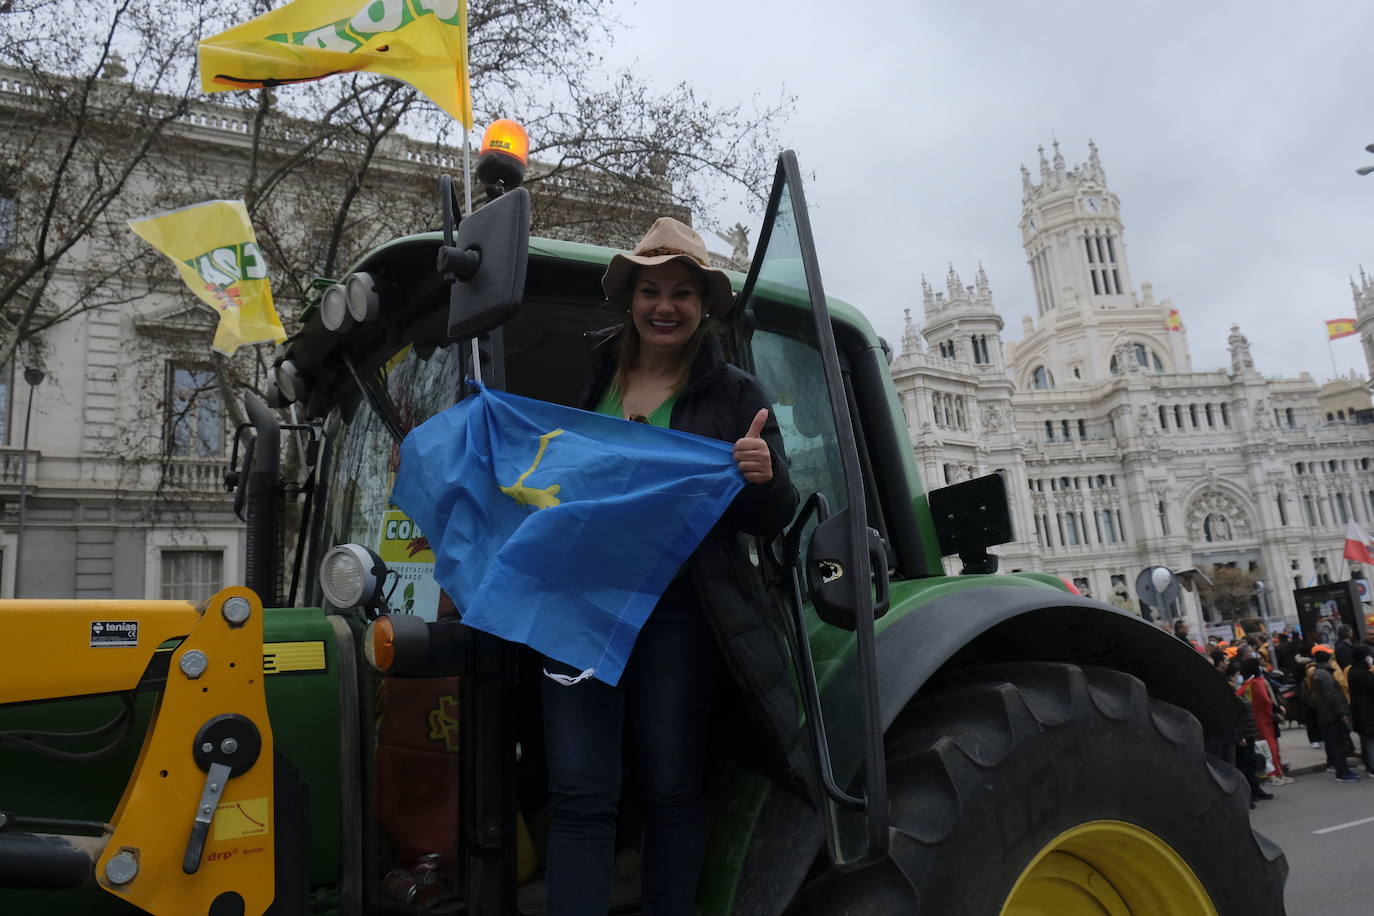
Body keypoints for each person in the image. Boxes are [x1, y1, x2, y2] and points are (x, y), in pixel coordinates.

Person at [539, 217, 799, 916]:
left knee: (671, 789)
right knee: (579, 792)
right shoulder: (594, 377)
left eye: (682, 292)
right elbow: (548, 480)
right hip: (581, 610)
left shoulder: (736, 394)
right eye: (651, 289)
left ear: (703, 305)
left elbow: (774, 516)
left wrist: (763, 476)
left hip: (678, 614)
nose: (665, 305)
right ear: (630, 299)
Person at [1237, 657, 1291, 785]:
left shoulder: (1247, 684)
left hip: (1256, 718)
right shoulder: (1258, 682)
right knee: (1270, 746)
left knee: (1265, 746)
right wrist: (1275, 710)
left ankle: (1273, 773)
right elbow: (1266, 700)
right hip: (1265, 718)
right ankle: (1275, 773)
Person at [1310, 647, 1359, 781]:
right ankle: (1342, 772)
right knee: (1337, 744)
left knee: (1337, 743)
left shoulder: (1320, 673)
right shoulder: (1323, 675)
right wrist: (1342, 713)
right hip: (1332, 716)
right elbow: (1332, 696)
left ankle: (1342, 768)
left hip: (1329, 714)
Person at [1347, 644, 1374, 774]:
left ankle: (1369, 764)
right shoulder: (1362, 673)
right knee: (1369, 740)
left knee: (1366, 739)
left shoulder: (1354, 670)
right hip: (1366, 711)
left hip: (1362, 710)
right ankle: (1372, 766)